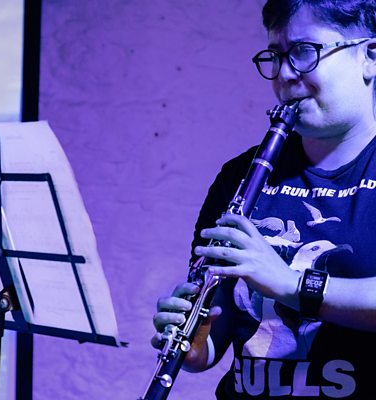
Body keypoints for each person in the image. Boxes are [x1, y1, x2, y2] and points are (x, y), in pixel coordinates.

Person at [151, 0, 376, 398]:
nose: (285, 73)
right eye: (277, 56)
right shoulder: (240, 175)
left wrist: (290, 284)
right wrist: (197, 343)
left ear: (369, 57)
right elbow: (220, 324)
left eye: (304, 51)